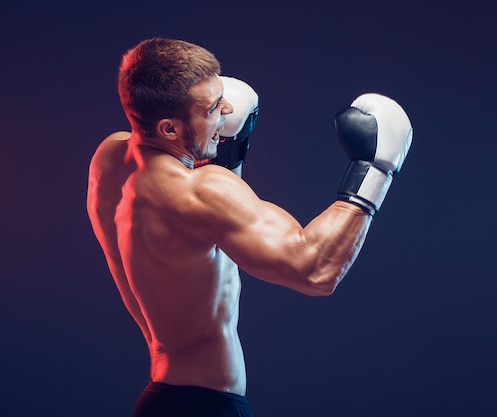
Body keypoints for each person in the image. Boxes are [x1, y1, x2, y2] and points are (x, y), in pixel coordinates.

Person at [86, 37, 413, 417]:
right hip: (208, 407)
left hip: (160, 401)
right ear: (169, 129)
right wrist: (375, 169)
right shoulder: (201, 192)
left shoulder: (109, 157)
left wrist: (226, 150)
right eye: (211, 108)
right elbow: (316, 270)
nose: (225, 109)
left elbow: (197, 230)